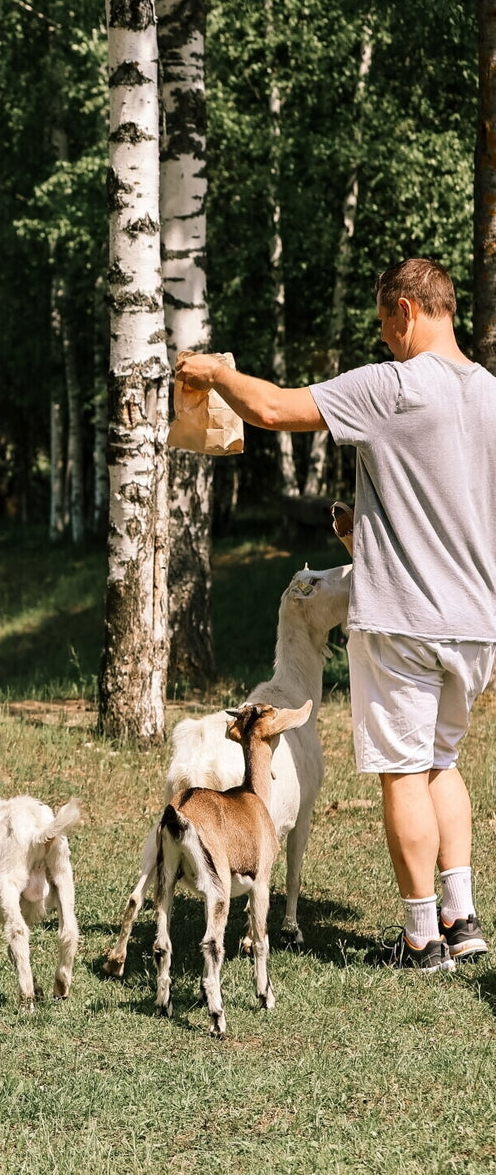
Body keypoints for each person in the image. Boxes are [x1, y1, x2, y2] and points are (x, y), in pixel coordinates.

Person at [177, 258, 496, 972]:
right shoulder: (492, 397)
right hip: (476, 619)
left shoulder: (393, 385)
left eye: (386, 326)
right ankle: (462, 917)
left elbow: (272, 409)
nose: (385, 341)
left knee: (404, 771)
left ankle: (421, 940)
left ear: (407, 312)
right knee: (445, 761)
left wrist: (217, 375)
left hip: (405, 619)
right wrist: (371, 535)